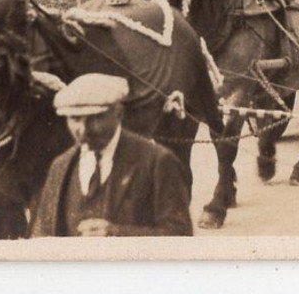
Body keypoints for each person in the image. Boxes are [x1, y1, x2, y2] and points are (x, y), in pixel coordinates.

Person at [29, 73, 194, 238]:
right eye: (75, 118)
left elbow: (180, 236)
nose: (84, 130)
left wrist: (118, 235)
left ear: (119, 113)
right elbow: (42, 235)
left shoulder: (158, 162)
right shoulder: (60, 166)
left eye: (96, 118)